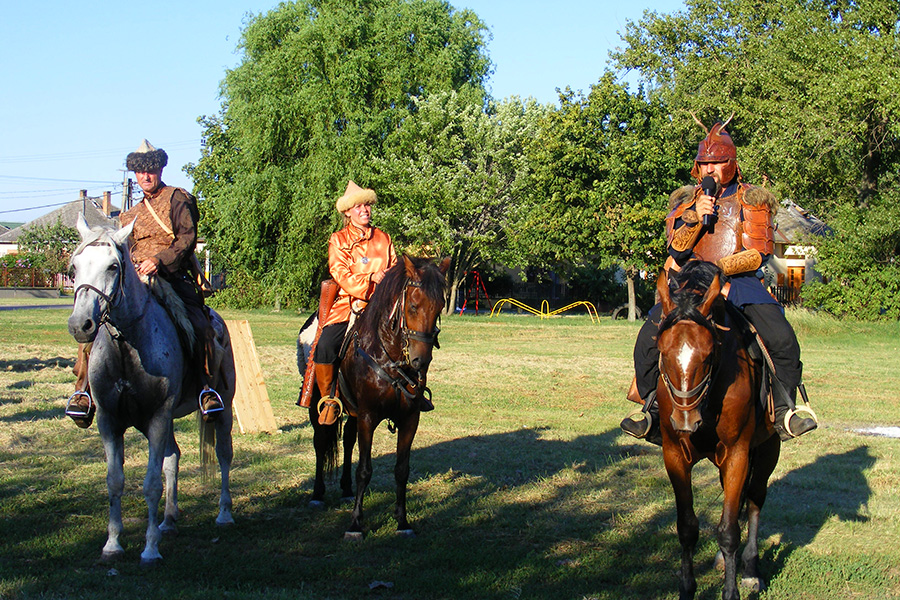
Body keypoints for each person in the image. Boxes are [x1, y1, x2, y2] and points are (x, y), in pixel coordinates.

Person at [620, 118, 818, 443]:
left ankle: (785, 411)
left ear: (731, 163)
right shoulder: (685, 203)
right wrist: (696, 216)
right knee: (648, 337)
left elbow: (758, 254)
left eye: (717, 162)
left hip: (739, 282)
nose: (710, 169)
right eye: (705, 163)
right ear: (697, 166)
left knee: (781, 337)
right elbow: (677, 250)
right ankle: (651, 411)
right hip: (690, 285)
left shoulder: (752, 201)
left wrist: (720, 274)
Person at [65, 140, 224, 427]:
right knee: (96, 322)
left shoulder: (178, 198)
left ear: (160, 169)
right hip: (135, 279)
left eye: (150, 170)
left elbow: (187, 239)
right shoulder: (127, 216)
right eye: (139, 172)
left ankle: (205, 389)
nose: (145, 176)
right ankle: (83, 392)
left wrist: (159, 261)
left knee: (200, 325)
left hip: (171, 275)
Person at [298, 181, 400, 426]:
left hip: (384, 306)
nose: (365, 209)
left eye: (367, 204)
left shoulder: (384, 238)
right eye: (358, 206)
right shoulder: (338, 240)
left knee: (413, 338)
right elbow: (339, 273)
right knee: (325, 345)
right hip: (349, 304)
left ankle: (410, 393)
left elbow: (395, 269)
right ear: (347, 212)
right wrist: (370, 279)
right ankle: (329, 401)